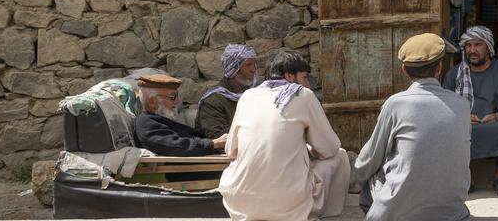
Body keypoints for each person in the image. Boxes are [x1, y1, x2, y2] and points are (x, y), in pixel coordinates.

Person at [219, 52, 349, 221]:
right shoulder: (304, 95)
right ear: (289, 76)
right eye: (304, 78)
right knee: (340, 155)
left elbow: (231, 150)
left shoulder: (247, 96)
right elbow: (329, 148)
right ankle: (326, 214)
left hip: (240, 203)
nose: (307, 84)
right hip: (288, 206)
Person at [353, 33, 471, 221]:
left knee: (369, 176)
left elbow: (370, 158)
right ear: (439, 68)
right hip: (454, 214)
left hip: (399, 214)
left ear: (404, 70)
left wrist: (358, 175)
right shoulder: (462, 105)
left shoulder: (396, 104)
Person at [443, 25, 498, 196]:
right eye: (468, 46)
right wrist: (463, 117)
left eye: (477, 45)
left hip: (496, 126)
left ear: (488, 48)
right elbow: (442, 108)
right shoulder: (455, 74)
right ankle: (465, 178)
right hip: (466, 127)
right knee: (449, 130)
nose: (472, 50)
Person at [133, 74, 226, 156]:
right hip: (192, 171)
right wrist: (214, 144)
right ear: (152, 102)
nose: (177, 101)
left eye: (177, 96)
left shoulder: (159, 120)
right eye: (172, 97)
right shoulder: (146, 123)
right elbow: (175, 146)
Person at [195, 44, 258, 138]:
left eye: (254, 64)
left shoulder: (254, 94)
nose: (253, 69)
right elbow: (216, 136)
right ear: (234, 69)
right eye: (248, 65)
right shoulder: (213, 101)